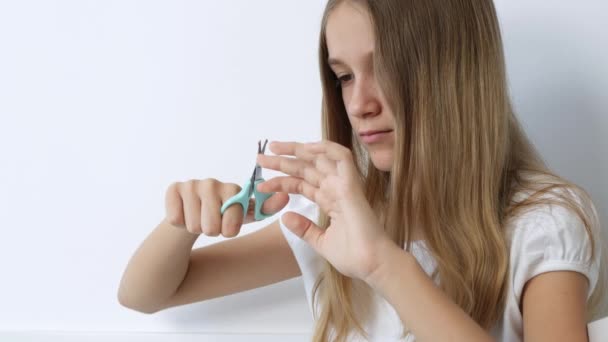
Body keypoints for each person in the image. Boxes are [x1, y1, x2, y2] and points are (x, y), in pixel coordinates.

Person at [118, 0, 608, 341]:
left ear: (455, 71)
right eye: (343, 76)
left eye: (388, 67)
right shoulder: (337, 214)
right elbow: (144, 295)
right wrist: (181, 223)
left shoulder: (544, 223)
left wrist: (381, 263)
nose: (358, 104)